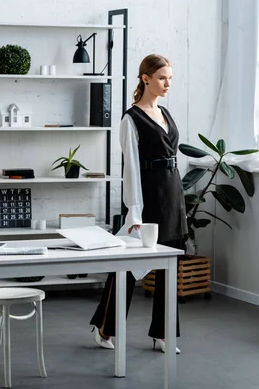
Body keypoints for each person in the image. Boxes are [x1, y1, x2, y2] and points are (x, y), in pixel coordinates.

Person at [89, 54, 187, 353]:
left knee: (170, 267)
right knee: (128, 267)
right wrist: (134, 209)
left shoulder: (166, 113)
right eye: (161, 78)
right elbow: (130, 166)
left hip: (172, 194)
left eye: (170, 77)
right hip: (147, 198)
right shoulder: (131, 118)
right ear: (145, 78)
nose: (167, 83)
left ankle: (163, 334)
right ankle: (105, 327)